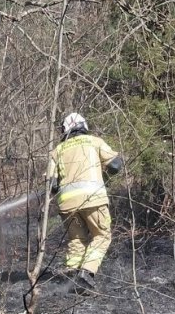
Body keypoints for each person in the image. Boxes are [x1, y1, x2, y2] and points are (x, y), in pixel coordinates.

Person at [46, 112, 123, 294]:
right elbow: (115, 165)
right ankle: (86, 273)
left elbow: (52, 185)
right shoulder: (94, 142)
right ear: (84, 126)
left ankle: (72, 274)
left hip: (67, 204)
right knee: (102, 235)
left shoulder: (58, 150)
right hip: (93, 199)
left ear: (64, 129)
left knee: (77, 238)